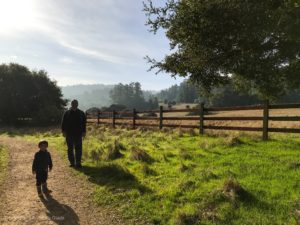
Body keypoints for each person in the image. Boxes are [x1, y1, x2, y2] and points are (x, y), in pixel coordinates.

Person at [61, 99, 86, 168]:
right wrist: (63, 131)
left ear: (77, 104)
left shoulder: (81, 113)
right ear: (71, 104)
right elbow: (63, 123)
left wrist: (84, 132)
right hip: (69, 134)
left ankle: (78, 163)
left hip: (78, 134)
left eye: (75, 103)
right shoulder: (67, 113)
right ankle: (72, 163)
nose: (74, 104)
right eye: (73, 103)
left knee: (78, 149)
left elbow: (84, 124)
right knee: (70, 149)